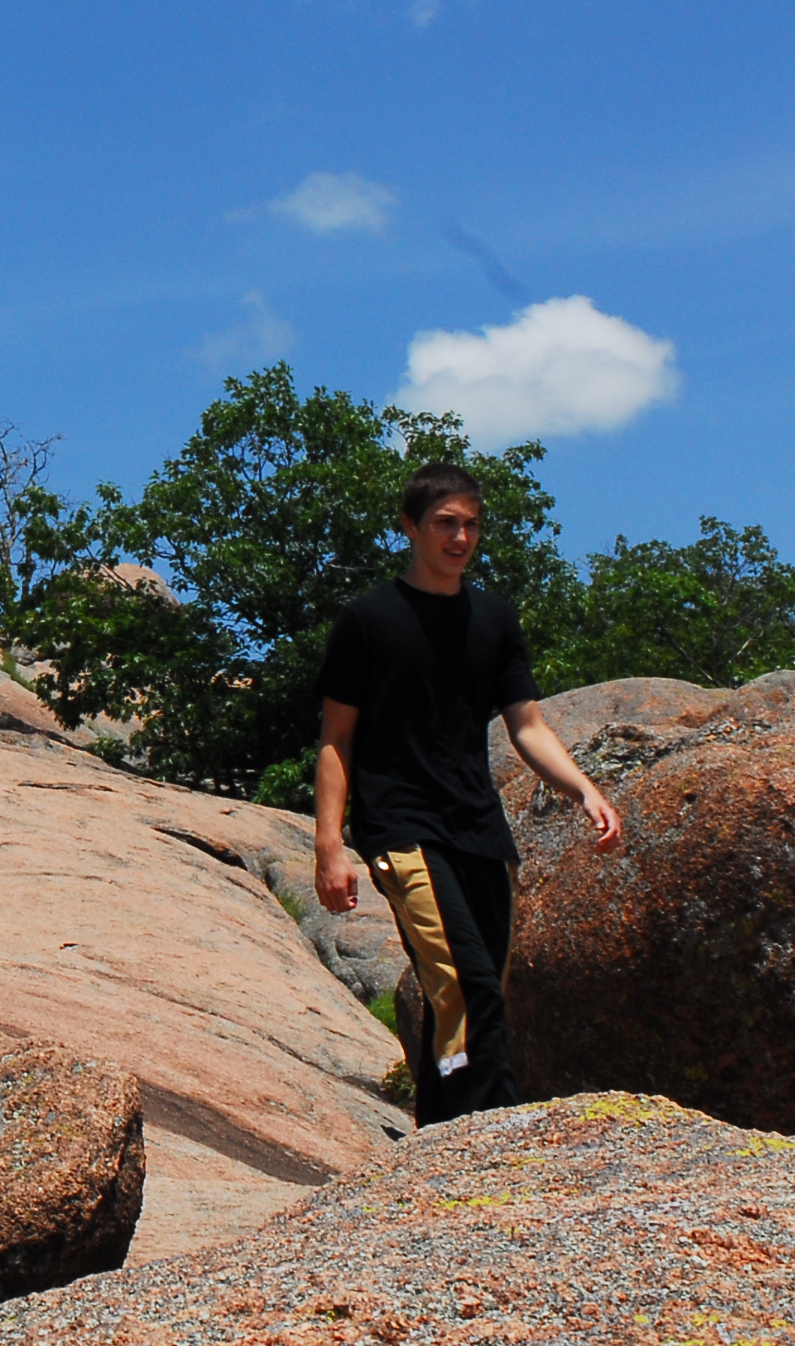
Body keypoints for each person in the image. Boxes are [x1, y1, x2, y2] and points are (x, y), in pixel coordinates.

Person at [312, 460, 623, 1125]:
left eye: (471, 526)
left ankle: (437, 1139)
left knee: (467, 997)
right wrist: (329, 846)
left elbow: (528, 726)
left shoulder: (494, 619)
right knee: (469, 987)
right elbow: (336, 739)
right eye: (445, 524)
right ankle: (495, 1145)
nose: (460, 538)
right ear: (410, 527)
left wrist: (583, 790)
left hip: (480, 832)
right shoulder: (368, 619)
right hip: (401, 827)